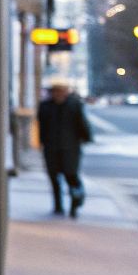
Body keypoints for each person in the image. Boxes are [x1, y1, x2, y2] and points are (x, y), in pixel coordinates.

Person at [37, 82, 93, 217]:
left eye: (61, 91)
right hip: (51, 147)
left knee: (71, 176)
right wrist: (42, 142)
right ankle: (58, 206)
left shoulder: (74, 105)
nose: (58, 94)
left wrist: (86, 138)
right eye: (56, 91)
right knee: (54, 177)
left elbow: (82, 124)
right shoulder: (45, 106)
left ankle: (75, 202)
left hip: (70, 148)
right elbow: (41, 126)